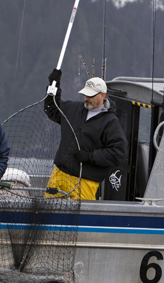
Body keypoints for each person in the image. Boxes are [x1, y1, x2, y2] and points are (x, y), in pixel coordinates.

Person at [44, 69, 127, 200]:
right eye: (85, 94)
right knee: (48, 214)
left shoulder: (111, 122)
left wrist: (90, 157)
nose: (86, 98)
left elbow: (118, 153)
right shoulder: (73, 108)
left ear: (102, 95)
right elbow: (52, 109)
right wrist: (53, 86)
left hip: (86, 181)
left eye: (91, 96)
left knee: (80, 218)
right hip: (59, 174)